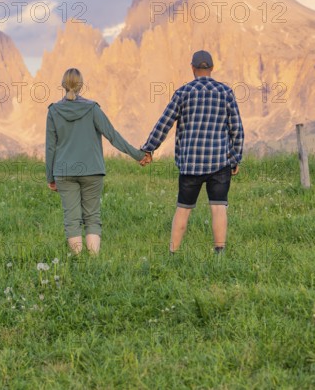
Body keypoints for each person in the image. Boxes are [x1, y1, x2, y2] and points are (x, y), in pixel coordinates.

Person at [141, 51, 244, 254]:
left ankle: (173, 252)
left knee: (183, 209)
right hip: (220, 162)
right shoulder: (226, 92)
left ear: (193, 68)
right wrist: (235, 158)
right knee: (218, 207)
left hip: (190, 164)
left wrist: (149, 148)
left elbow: (165, 124)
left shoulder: (183, 93)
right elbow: (237, 129)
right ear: (212, 68)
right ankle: (219, 252)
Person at [46, 68, 150, 255]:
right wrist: (139, 155)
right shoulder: (92, 108)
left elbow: (50, 147)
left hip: (64, 172)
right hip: (92, 171)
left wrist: (50, 177)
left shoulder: (53, 111)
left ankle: (78, 261)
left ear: (63, 85)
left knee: (71, 218)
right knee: (92, 217)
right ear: (81, 86)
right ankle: (93, 262)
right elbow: (112, 135)